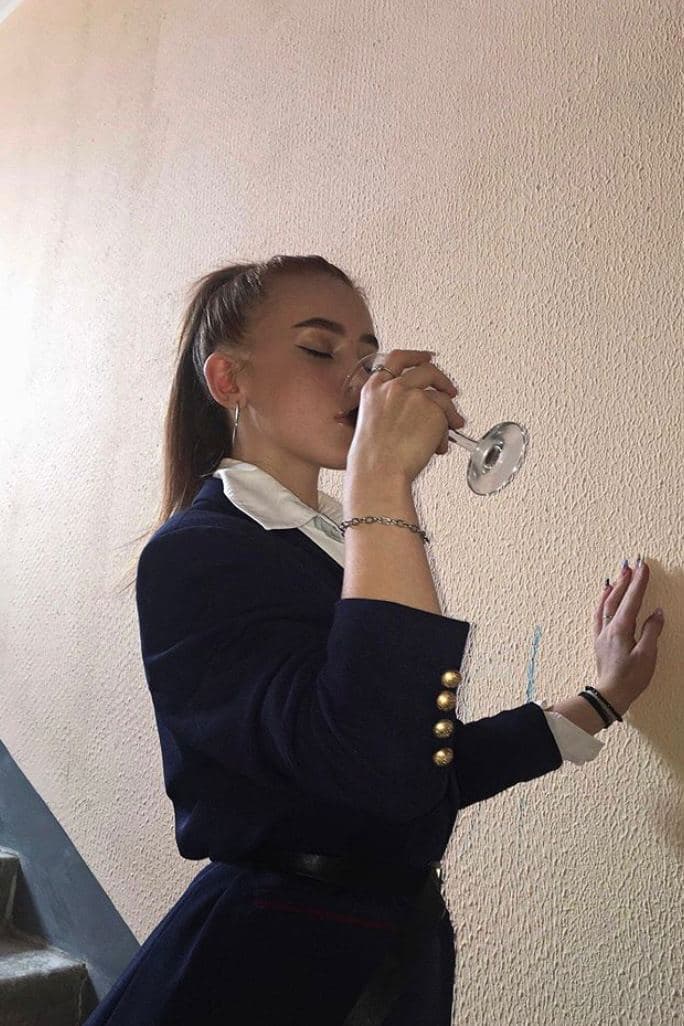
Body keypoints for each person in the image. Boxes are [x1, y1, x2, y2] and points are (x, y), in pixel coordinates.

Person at [91, 255, 665, 1026]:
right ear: (229, 381)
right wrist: (381, 480)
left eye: (367, 356)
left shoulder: (339, 547)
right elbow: (374, 763)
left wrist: (601, 699)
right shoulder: (197, 552)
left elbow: (420, 768)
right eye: (318, 350)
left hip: (390, 950)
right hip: (273, 964)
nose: (360, 382)